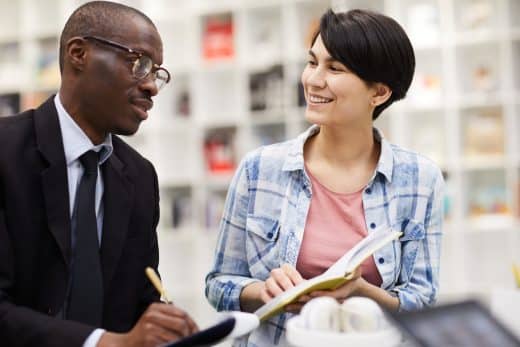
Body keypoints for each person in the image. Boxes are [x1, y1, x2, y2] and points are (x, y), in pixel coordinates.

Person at [206, 8, 444, 346]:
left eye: (334, 68)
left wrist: (362, 292)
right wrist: (265, 291)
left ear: (379, 93)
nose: (313, 79)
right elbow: (217, 284)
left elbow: (421, 299)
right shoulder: (259, 169)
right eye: (312, 62)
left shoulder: (420, 179)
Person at [0, 1, 198, 347]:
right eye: (140, 64)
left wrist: (168, 329)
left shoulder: (139, 178)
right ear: (79, 53)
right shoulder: (5, 151)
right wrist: (104, 342)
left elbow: (141, 298)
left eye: (157, 73)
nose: (151, 87)